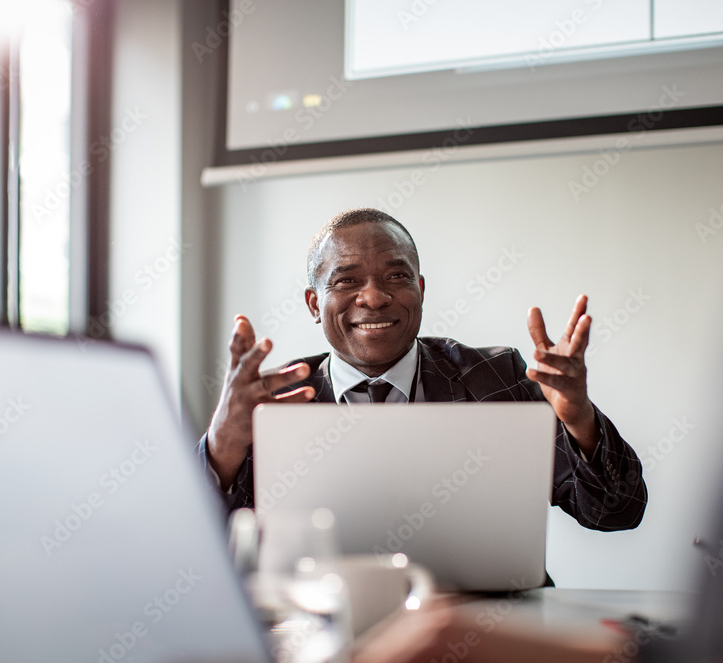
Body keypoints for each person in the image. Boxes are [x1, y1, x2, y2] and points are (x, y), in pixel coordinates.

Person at [197, 208, 646, 533]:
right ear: (315, 304)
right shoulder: (273, 402)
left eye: (396, 277)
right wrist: (223, 447)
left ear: (420, 289)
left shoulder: (497, 377)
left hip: (485, 625)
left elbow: (615, 512)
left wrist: (578, 418)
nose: (373, 297)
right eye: (347, 280)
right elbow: (199, 545)